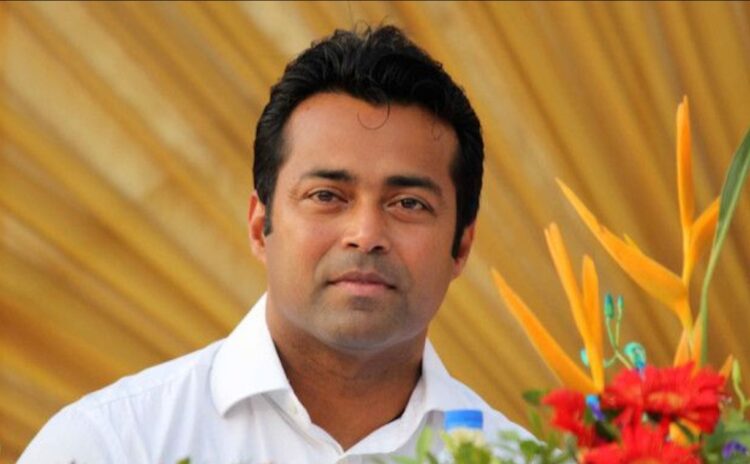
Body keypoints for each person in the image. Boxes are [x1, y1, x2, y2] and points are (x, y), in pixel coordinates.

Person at [19, 24, 528, 463]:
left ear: (462, 245)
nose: (366, 234)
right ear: (260, 224)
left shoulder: (520, 456)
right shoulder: (112, 444)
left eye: (408, 203)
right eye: (327, 196)